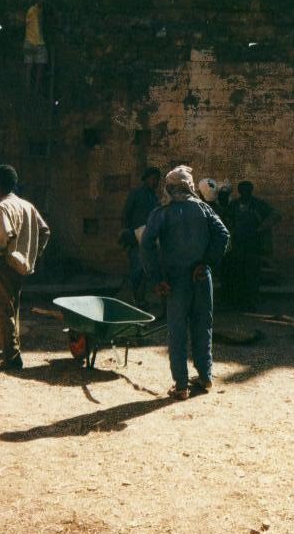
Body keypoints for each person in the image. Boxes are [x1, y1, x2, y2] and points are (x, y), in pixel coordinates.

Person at [141, 165, 229, 400]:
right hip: (201, 277)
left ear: (169, 188)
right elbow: (223, 235)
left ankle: (181, 386)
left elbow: (147, 244)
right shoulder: (204, 209)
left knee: (177, 332)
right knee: (203, 326)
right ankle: (205, 376)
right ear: (190, 186)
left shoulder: (161, 212)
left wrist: (157, 278)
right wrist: (206, 263)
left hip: (175, 280)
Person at [0, 165, 50, 370]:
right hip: (20, 266)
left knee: (1, 311)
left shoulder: (3, 207)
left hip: (4, 263)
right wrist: (33, 254)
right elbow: (45, 231)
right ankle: (11, 350)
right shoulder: (27, 205)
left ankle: (12, 357)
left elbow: (3, 236)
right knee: (13, 309)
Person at [227, 181, 281, 310]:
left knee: (252, 274)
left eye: (248, 191)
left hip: (253, 245)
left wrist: (261, 228)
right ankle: (238, 302)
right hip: (238, 244)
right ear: (239, 192)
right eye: (243, 191)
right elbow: (227, 219)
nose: (245, 193)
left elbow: (276, 215)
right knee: (238, 273)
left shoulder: (258, 204)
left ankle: (251, 302)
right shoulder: (234, 205)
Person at [120, 167, 160, 308]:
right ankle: (136, 298)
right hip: (135, 239)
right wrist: (126, 233)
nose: (155, 182)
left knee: (145, 270)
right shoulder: (136, 194)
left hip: (148, 240)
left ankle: (140, 299)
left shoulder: (155, 197)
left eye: (157, 180)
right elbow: (126, 215)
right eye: (153, 179)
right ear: (146, 178)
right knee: (137, 269)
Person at [23, 0, 48, 93]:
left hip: (30, 42)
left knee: (30, 68)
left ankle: (30, 90)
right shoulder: (35, 11)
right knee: (37, 67)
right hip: (36, 43)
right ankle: (33, 90)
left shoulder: (32, 11)